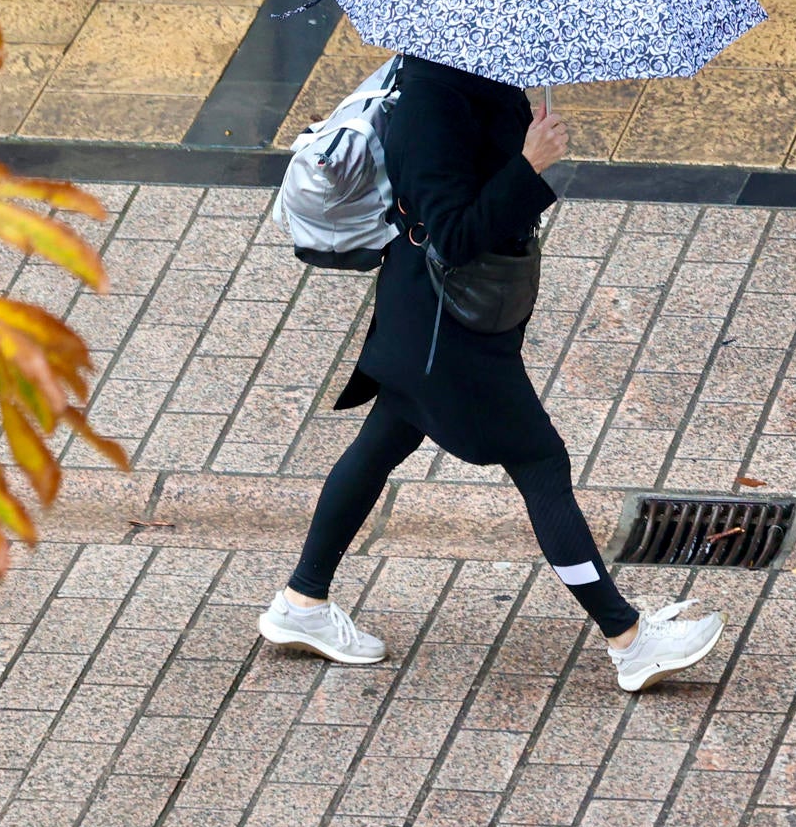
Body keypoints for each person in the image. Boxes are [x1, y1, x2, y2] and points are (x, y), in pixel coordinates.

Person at [258, 55, 727, 691]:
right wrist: (528, 165)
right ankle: (630, 640)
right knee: (539, 462)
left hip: (430, 319)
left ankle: (303, 603)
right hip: (443, 334)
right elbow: (453, 236)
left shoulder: (468, 77)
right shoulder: (433, 103)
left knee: (380, 443)